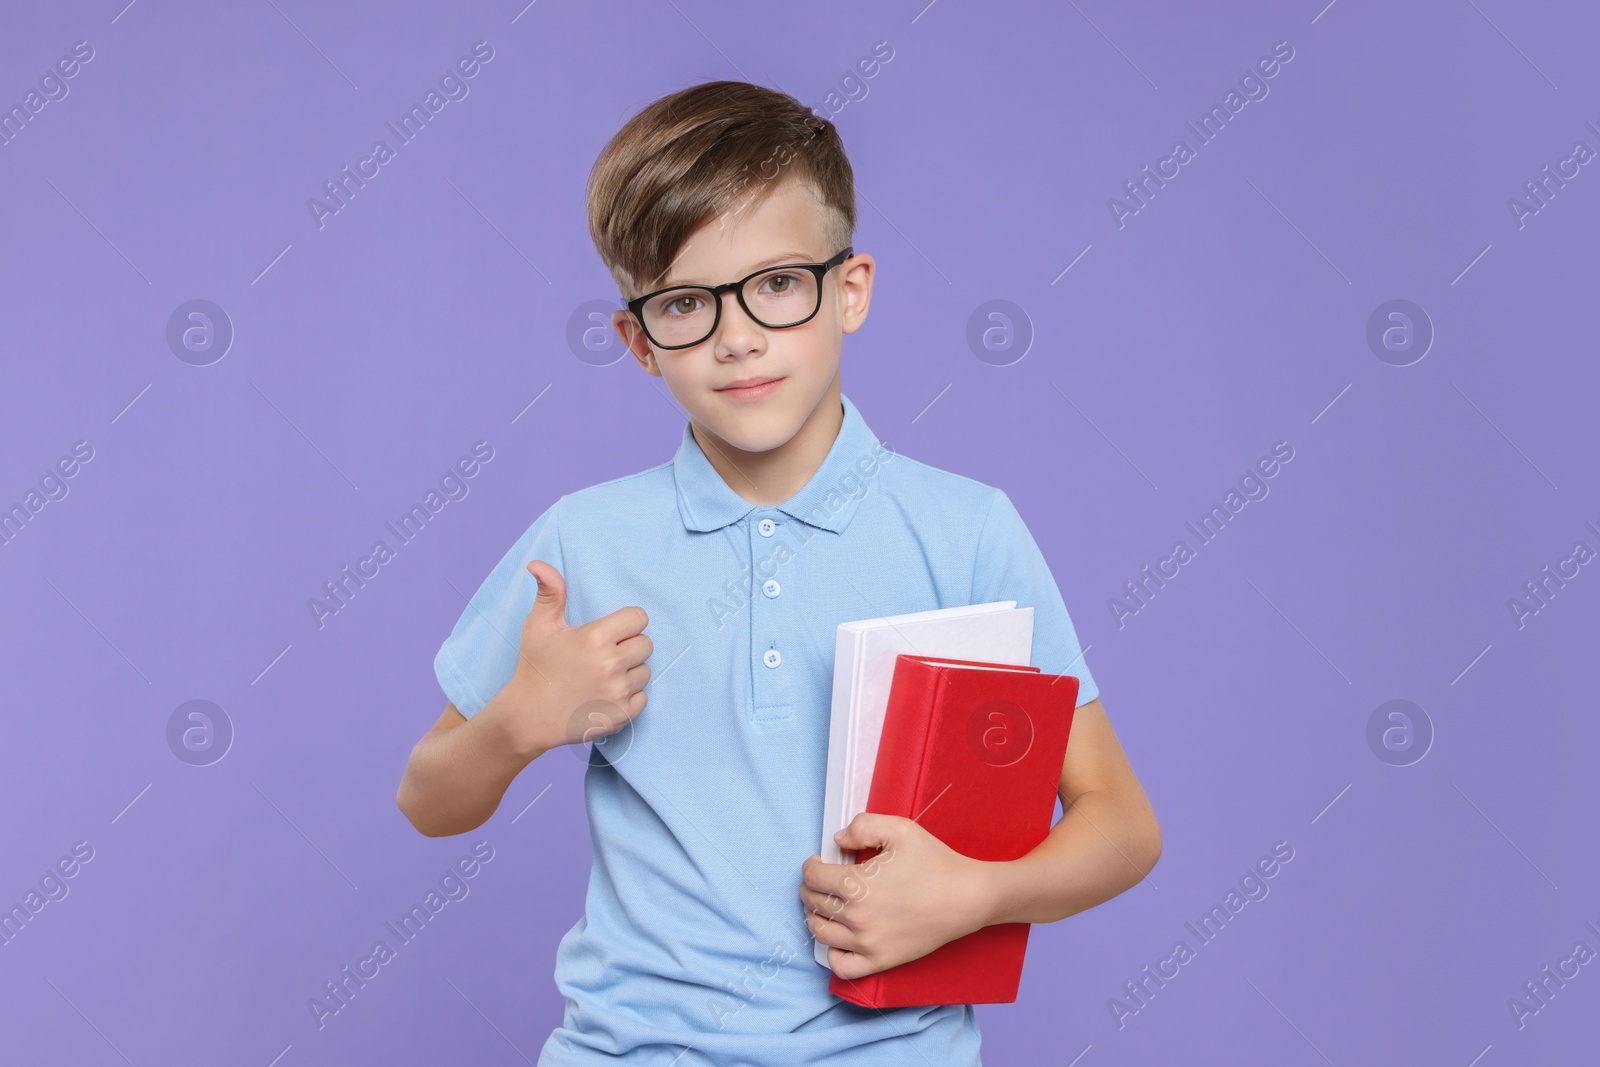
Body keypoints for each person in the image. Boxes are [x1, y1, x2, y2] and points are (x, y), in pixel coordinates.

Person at [395, 79, 1161, 1066]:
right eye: (684, 303)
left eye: (778, 283)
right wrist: (516, 722)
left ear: (849, 288)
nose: (737, 335)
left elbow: (1121, 823)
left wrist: (973, 894)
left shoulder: (966, 532)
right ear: (638, 341)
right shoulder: (585, 541)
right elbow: (427, 798)